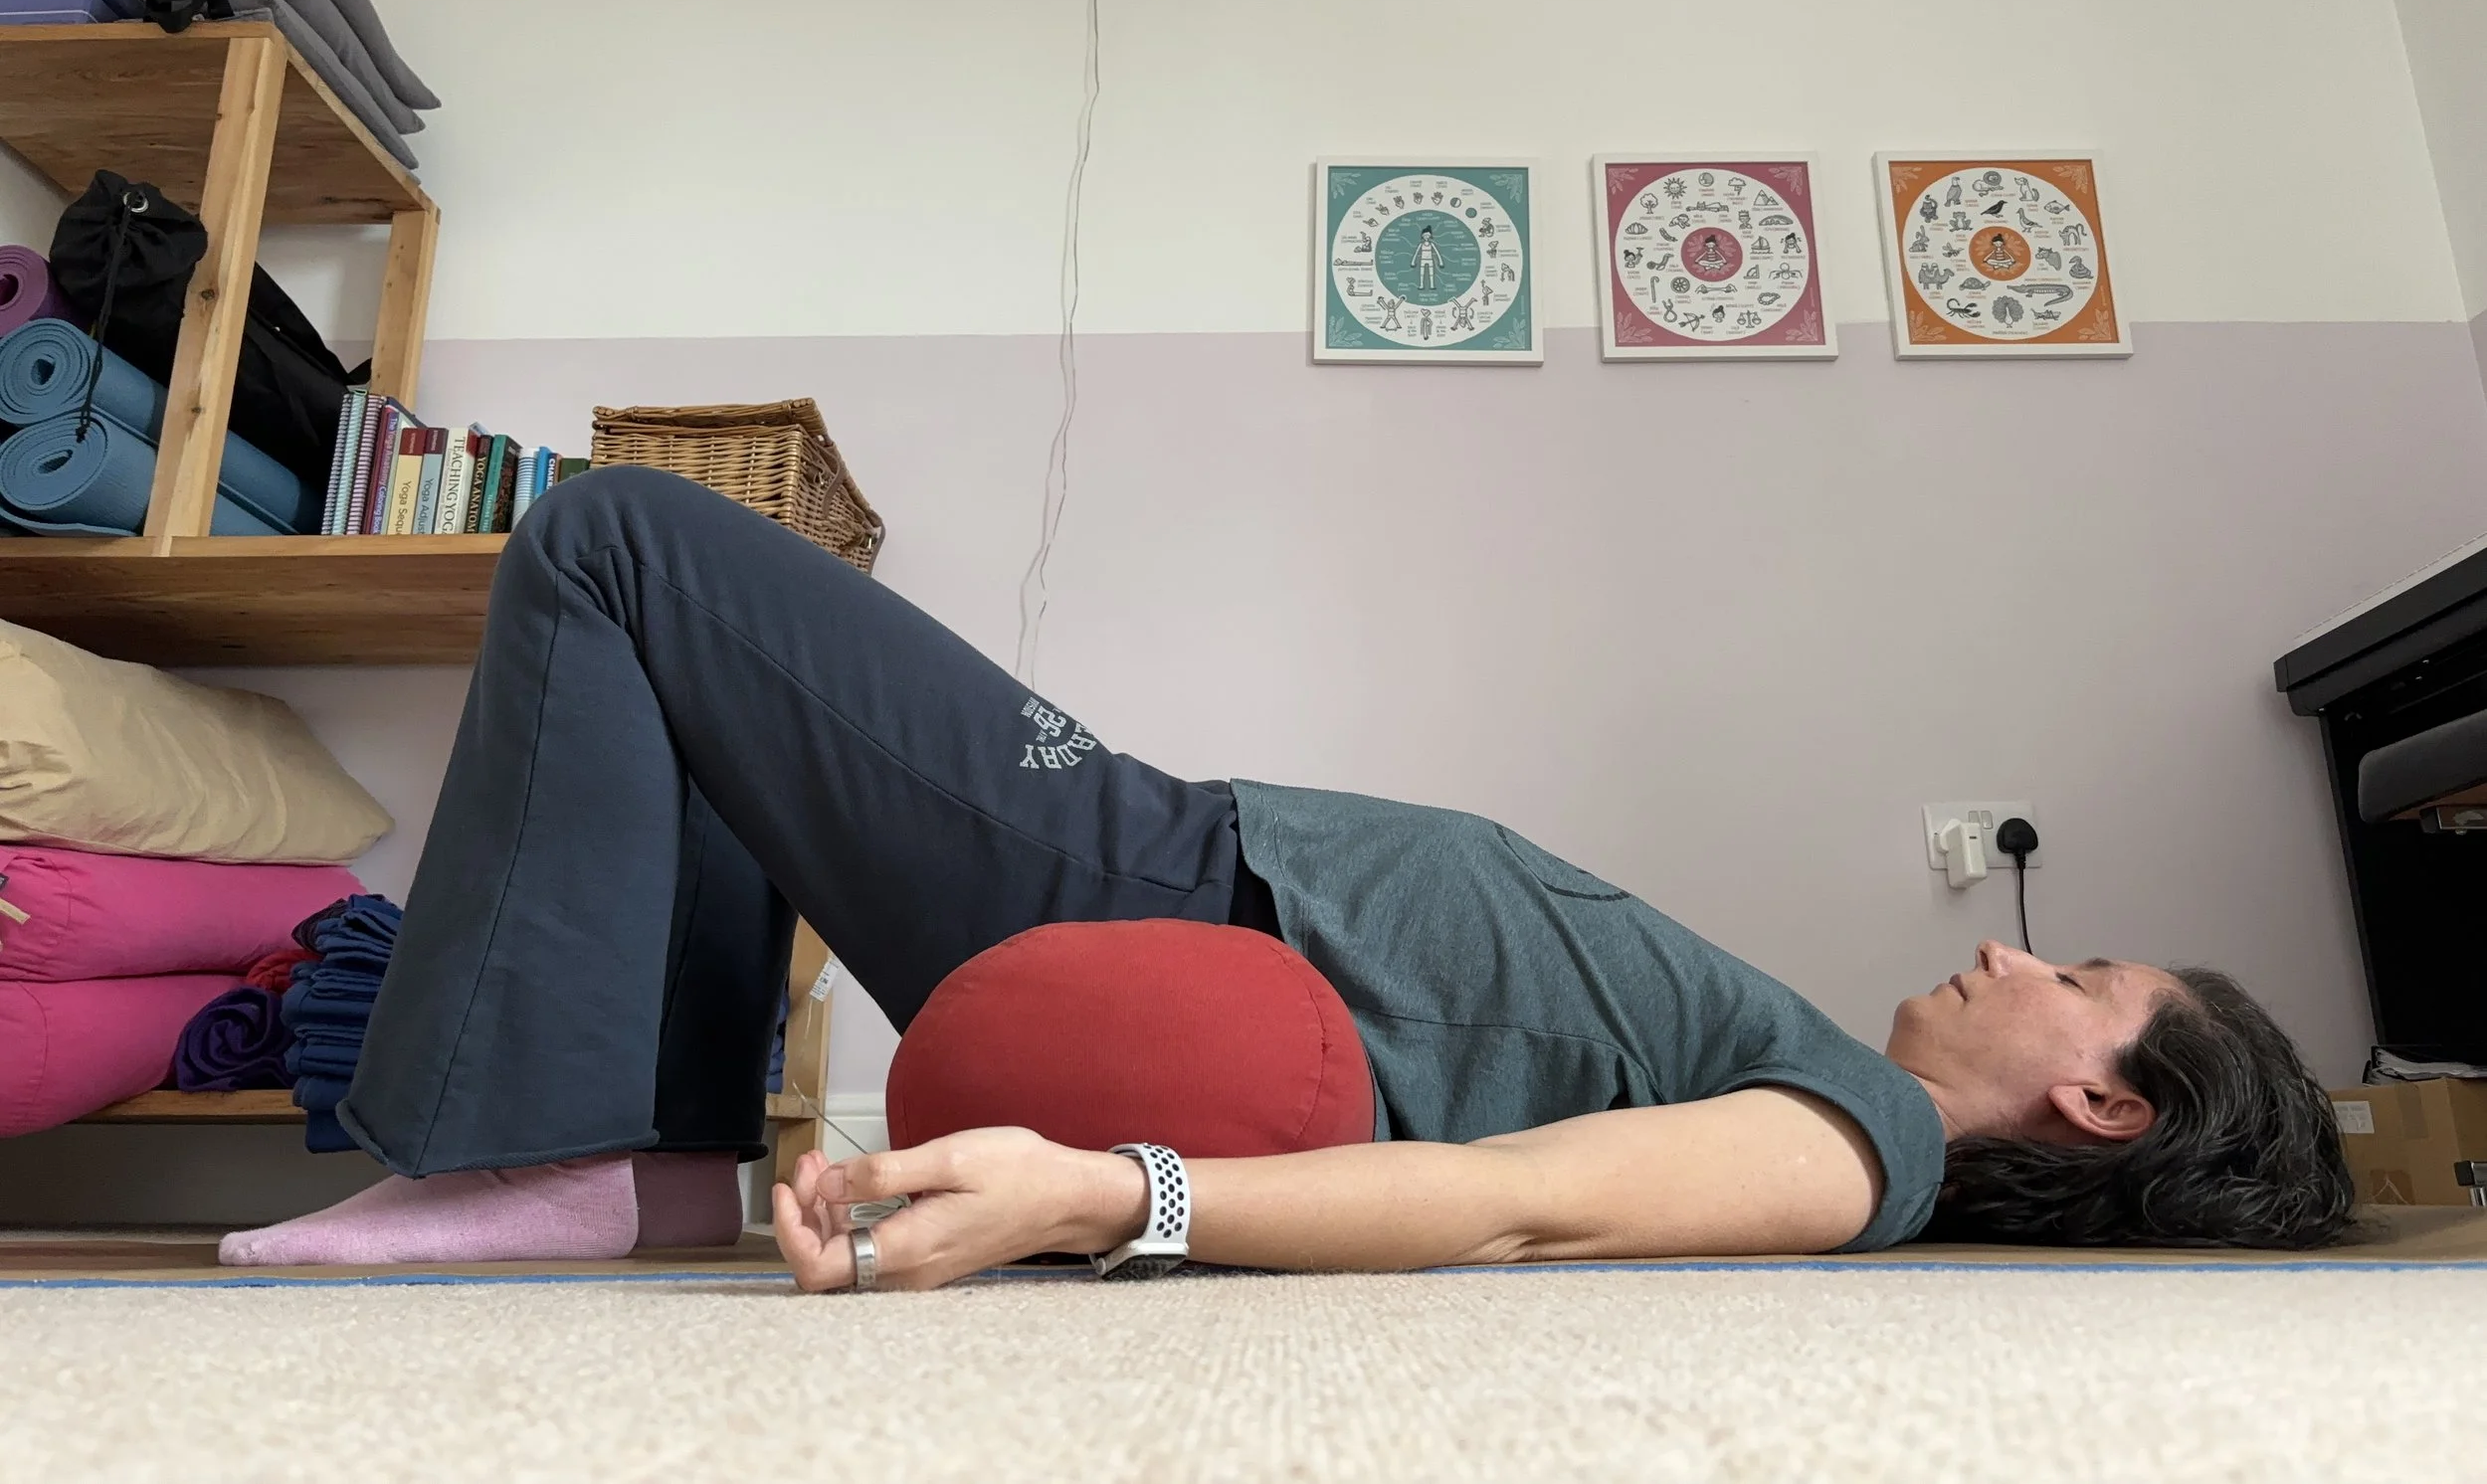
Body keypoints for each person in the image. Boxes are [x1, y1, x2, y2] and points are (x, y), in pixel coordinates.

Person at [220, 469, 2356, 1285]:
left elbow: (1505, 1204)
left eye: (2070, 966)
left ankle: (544, 1148)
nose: (2001, 942)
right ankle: (639, 1162)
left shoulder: (1862, 1145)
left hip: (1177, 898)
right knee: (692, 678)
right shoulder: (1838, 1104)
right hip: (1184, 880)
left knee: (618, 542)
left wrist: (1099, 1192)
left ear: (2103, 1099)